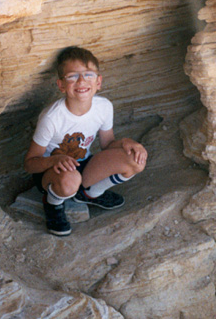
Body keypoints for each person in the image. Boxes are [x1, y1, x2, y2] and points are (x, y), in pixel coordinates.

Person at [24, 46, 148, 236]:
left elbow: (107, 145)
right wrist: (53, 161)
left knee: (135, 160)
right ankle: (53, 204)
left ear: (98, 82)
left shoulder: (104, 107)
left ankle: (90, 193)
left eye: (88, 75)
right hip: (52, 171)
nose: (81, 81)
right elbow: (30, 164)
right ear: (61, 85)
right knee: (70, 178)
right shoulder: (52, 117)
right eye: (72, 76)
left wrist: (127, 143)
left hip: (83, 163)